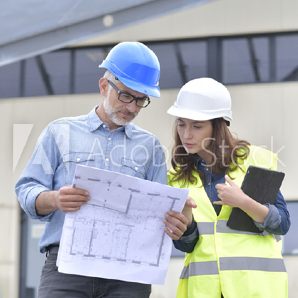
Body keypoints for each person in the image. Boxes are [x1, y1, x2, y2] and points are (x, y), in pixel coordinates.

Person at [15, 41, 190, 298]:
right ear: (104, 86)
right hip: (66, 272)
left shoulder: (150, 147)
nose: (132, 107)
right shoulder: (59, 132)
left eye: (141, 100)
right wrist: (54, 198)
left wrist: (175, 223)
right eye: (126, 95)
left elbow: (157, 215)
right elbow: (27, 190)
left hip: (128, 276)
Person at [167, 78, 290, 298]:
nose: (186, 134)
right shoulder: (177, 179)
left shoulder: (253, 160)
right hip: (204, 291)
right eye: (181, 123)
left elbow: (282, 223)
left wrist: (244, 202)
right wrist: (187, 221)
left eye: (196, 126)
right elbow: (187, 246)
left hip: (255, 289)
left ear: (218, 126)